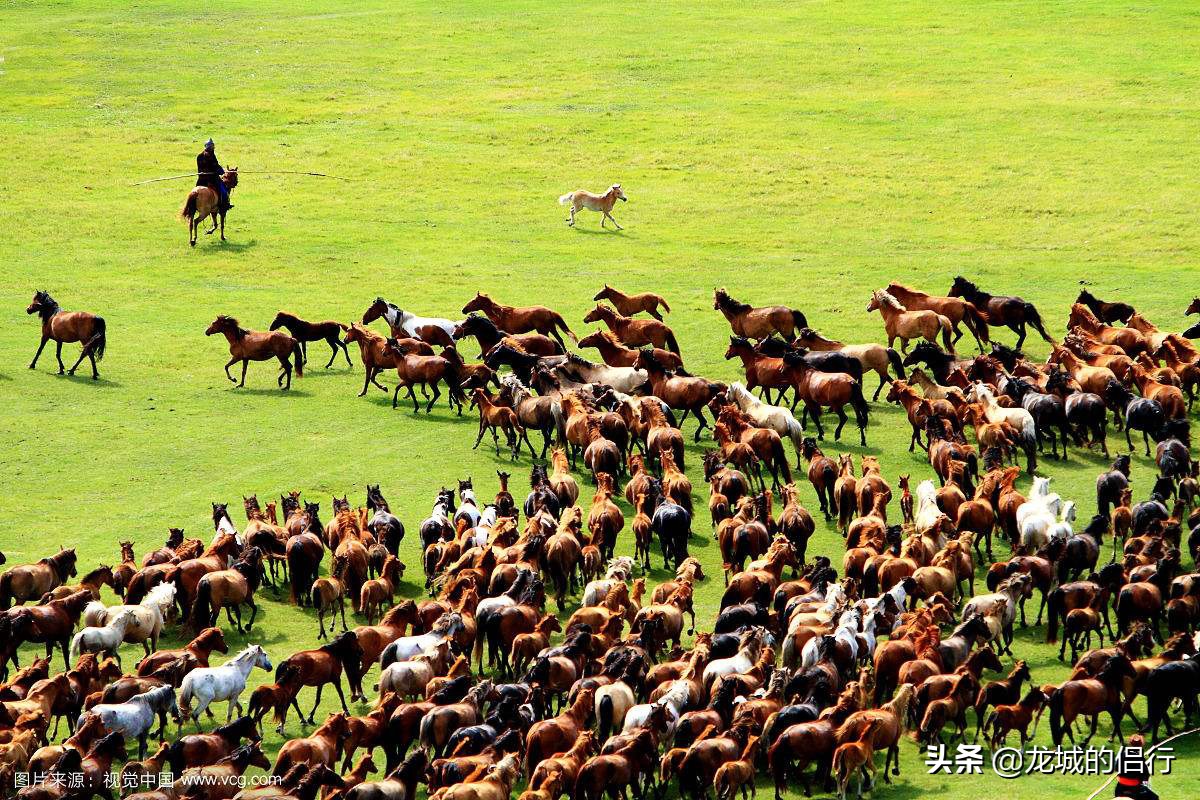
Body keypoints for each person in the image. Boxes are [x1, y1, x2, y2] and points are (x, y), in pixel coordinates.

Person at [1115, 734, 1158, 800]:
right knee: (1155, 797)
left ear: (1130, 743)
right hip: (1134, 788)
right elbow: (1146, 775)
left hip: (1120, 787)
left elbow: (1116, 768)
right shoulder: (1140, 758)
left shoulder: (1122, 754)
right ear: (1141, 745)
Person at [196, 138, 232, 211]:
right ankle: (225, 205)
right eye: (212, 146)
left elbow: (201, 168)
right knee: (224, 192)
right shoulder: (211, 155)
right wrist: (222, 171)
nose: (213, 148)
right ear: (210, 147)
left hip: (201, 180)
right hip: (212, 179)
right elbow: (215, 166)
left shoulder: (199, 156)